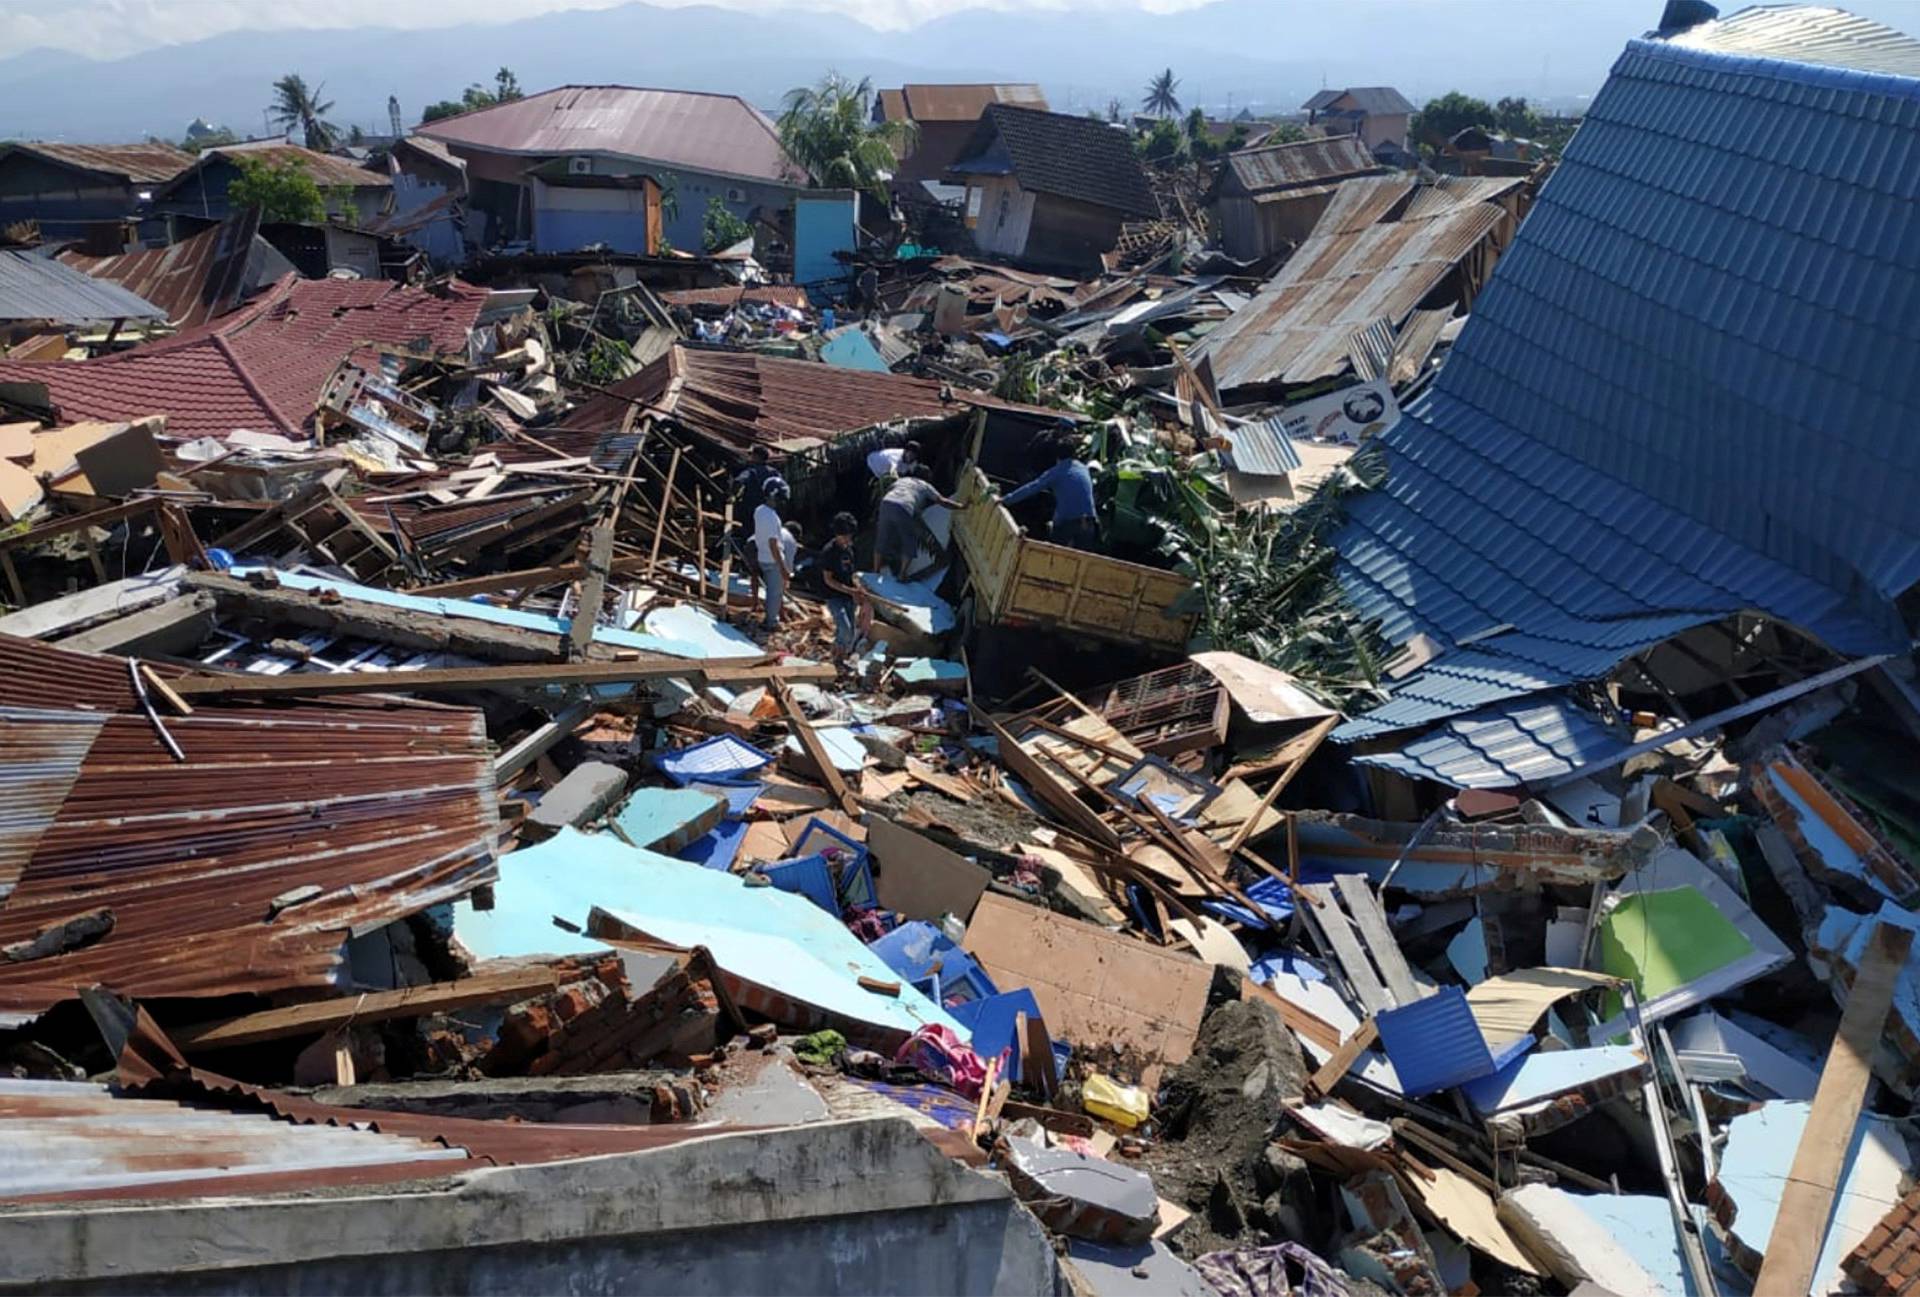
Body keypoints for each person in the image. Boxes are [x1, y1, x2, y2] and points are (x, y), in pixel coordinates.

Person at [1002, 430, 1098, 551]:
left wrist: (1006, 500)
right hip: (1089, 523)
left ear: (1056, 455)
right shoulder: (1083, 468)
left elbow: (1031, 488)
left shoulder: (1056, 473)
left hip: (1068, 523)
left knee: (1052, 555)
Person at [875, 465, 964, 580]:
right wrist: (961, 506)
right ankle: (902, 575)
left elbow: (889, 491)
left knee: (882, 539)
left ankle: (876, 571)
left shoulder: (902, 480)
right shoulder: (924, 485)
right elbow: (943, 501)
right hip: (904, 507)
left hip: (886, 503)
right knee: (910, 542)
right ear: (926, 478)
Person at [732, 446, 780, 601]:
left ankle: (750, 570)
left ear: (757, 457)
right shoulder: (774, 473)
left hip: (750, 513)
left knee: (749, 542)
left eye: (752, 455)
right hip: (769, 514)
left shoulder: (752, 471)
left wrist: (732, 495)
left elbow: (739, 481)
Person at [818, 511, 869, 656]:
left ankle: (837, 659)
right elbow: (828, 579)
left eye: (849, 536)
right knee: (845, 630)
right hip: (834, 596)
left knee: (850, 633)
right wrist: (850, 591)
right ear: (837, 534)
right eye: (844, 536)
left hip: (848, 597)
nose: (847, 540)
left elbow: (852, 573)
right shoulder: (829, 552)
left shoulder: (850, 550)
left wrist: (858, 589)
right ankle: (835, 655)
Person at [752, 477, 792, 633]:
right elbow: (773, 544)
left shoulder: (759, 511)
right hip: (772, 558)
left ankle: (770, 619)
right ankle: (771, 622)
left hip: (761, 555)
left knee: (770, 590)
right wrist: (783, 567)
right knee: (774, 593)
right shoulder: (771, 516)